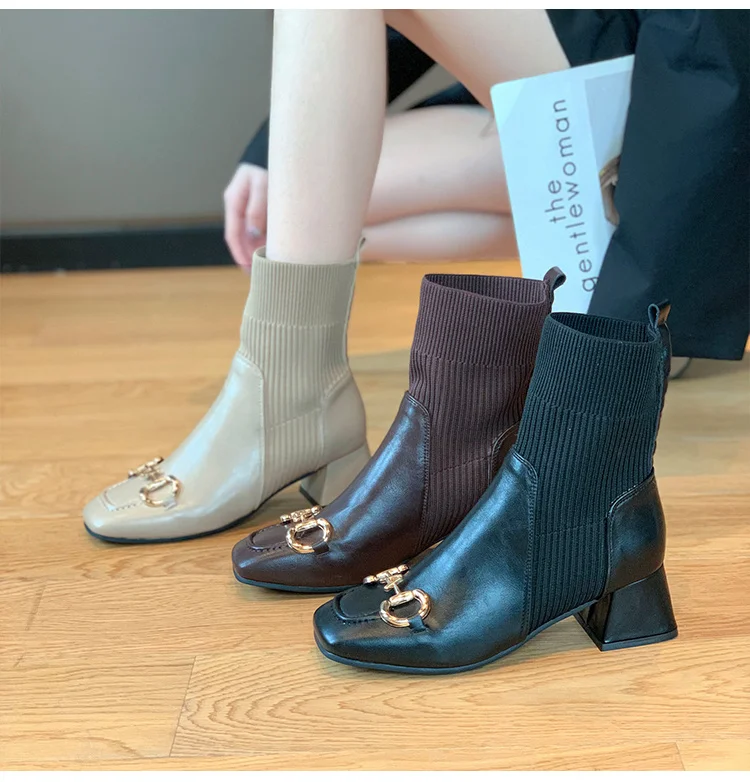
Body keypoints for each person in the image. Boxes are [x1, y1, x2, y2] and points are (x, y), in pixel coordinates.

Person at [84, 10, 748, 543]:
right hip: (597, 75)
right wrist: (269, 150)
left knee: (314, 204)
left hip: (696, 115)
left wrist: (625, 320)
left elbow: (714, 45)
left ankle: (289, 399)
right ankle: (292, 393)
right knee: (305, 209)